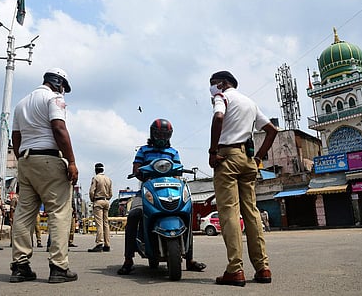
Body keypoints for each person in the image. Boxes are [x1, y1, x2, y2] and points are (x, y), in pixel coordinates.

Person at [208, 70, 278, 287]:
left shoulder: (222, 97)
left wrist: (212, 151)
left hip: (227, 157)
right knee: (252, 212)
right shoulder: (250, 103)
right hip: (248, 160)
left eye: (213, 84)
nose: (211, 88)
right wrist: (258, 156)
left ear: (223, 83)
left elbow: (218, 117)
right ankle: (262, 268)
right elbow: (272, 130)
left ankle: (235, 270)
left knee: (229, 212)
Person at [10, 67, 78, 284]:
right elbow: (59, 128)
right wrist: (72, 162)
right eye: (64, 88)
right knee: (58, 211)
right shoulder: (53, 99)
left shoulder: (21, 104)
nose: (63, 93)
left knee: (24, 214)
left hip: (26, 161)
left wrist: (22, 160)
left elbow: (16, 137)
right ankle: (59, 267)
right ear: (58, 83)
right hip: (49, 159)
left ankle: (20, 267)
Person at [117, 119, 206, 275]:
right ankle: (128, 259)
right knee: (134, 215)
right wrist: (140, 173)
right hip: (148, 189)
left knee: (187, 213)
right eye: (159, 134)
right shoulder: (143, 150)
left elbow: (178, 170)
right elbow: (136, 168)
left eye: (165, 135)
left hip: (170, 188)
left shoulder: (173, 152)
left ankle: (190, 259)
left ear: (170, 135)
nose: (161, 137)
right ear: (152, 134)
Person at [88, 163, 113, 252]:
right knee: (106, 223)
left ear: (96, 170)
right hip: (106, 201)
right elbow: (111, 193)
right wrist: (107, 198)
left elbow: (92, 191)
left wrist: (92, 199)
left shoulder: (96, 178)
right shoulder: (108, 179)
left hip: (98, 201)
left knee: (99, 223)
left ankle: (99, 243)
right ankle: (107, 244)